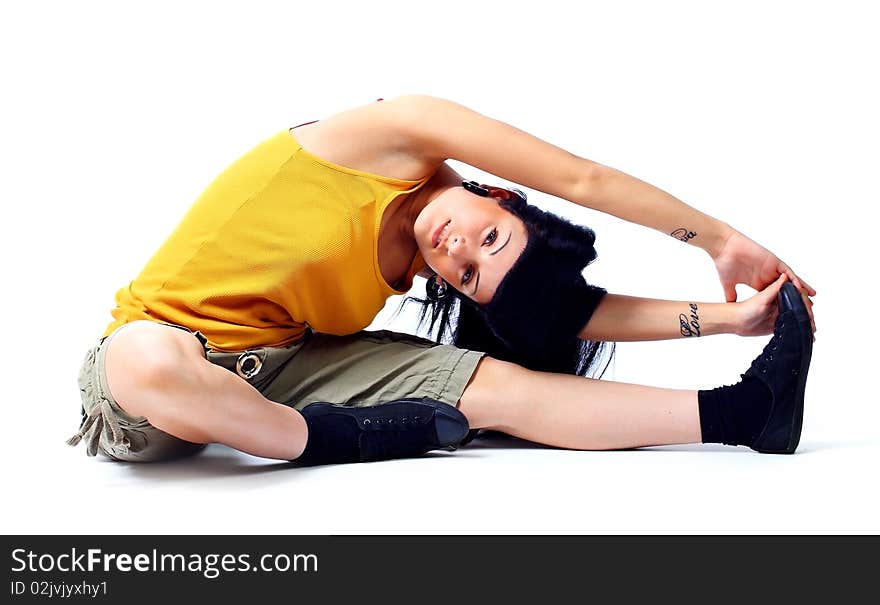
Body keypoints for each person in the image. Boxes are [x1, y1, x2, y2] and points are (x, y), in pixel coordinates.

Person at [67, 95, 817, 465]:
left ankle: (747, 414)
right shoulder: (395, 136)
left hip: (288, 368)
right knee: (148, 359)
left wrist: (725, 320)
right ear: (501, 196)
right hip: (160, 375)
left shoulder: (435, 256)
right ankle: (327, 440)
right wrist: (717, 240)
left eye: (466, 274)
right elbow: (580, 177)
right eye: (489, 236)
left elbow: (567, 313)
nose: (460, 249)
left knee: (496, 384)